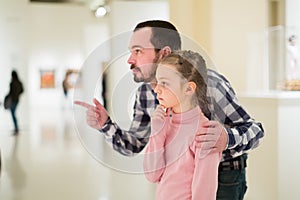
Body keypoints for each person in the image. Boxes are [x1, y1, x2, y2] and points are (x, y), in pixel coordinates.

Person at [74, 20, 265, 200]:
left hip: (224, 175)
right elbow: (134, 145)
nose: (130, 60)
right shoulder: (146, 92)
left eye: (138, 51)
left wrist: (227, 137)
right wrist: (106, 124)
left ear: (164, 53)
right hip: (175, 179)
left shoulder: (210, 84)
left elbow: (254, 130)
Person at [144, 50, 221, 199]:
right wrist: (157, 132)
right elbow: (152, 175)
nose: (156, 89)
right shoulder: (165, 124)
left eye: (164, 83)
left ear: (188, 89)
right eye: (158, 82)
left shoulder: (205, 134)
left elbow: (204, 195)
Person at [8, 70, 24, 135]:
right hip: (16, 100)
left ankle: (16, 128)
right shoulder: (19, 82)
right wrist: (18, 94)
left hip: (13, 100)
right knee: (13, 114)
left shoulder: (12, 83)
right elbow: (22, 90)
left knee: (13, 114)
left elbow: (10, 92)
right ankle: (16, 128)